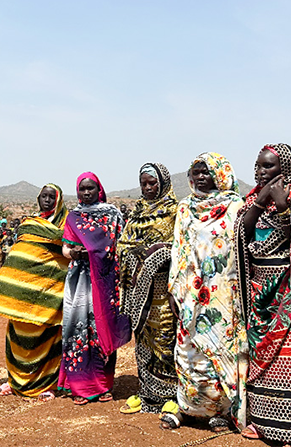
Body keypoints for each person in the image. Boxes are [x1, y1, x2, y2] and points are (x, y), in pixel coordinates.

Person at [235, 145, 291, 446]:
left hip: (289, 286)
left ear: (283, 168)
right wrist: (260, 201)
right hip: (260, 289)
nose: (259, 171)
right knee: (261, 354)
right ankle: (261, 421)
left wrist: (284, 206)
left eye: (267, 166)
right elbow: (243, 235)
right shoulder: (251, 199)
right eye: (257, 165)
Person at [162, 152, 247, 432]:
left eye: (206, 171)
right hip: (189, 293)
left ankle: (220, 411)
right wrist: (174, 288)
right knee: (188, 351)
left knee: (220, 350)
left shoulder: (236, 206)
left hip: (221, 294)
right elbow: (179, 249)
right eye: (196, 171)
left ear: (221, 174)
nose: (200, 176)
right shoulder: (185, 207)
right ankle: (188, 408)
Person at [0, 183, 71, 401]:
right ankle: (15, 381)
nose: (47, 200)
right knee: (17, 336)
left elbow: (67, 253)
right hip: (22, 296)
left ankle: (48, 384)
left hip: (50, 292)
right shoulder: (29, 223)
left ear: (58, 201)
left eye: (51, 197)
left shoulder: (66, 223)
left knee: (49, 338)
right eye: (43, 196)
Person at [59, 172, 131, 405]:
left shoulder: (113, 215)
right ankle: (80, 387)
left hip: (106, 280)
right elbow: (65, 249)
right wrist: (74, 253)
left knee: (102, 330)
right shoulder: (73, 217)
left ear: (99, 189)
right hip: (79, 281)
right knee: (78, 330)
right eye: (83, 189)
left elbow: (122, 245)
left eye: (91, 188)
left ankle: (104, 385)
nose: (87, 192)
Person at [116, 163, 179, 416]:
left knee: (165, 340)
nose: (148, 188)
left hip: (164, 290)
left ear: (163, 183)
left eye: (152, 183)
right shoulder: (137, 212)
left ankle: (172, 395)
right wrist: (134, 254)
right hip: (138, 292)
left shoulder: (175, 211)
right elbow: (123, 243)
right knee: (143, 340)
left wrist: (156, 253)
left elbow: (180, 245)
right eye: (143, 183)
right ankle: (147, 395)